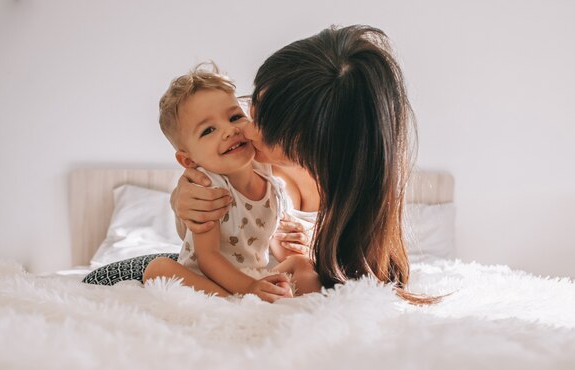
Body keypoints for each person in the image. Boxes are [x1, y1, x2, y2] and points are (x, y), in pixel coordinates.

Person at [170, 25, 436, 304]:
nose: (246, 131)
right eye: (253, 107)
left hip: (266, 281)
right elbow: (207, 241)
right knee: (135, 270)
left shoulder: (361, 207)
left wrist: (313, 253)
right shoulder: (247, 161)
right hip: (223, 276)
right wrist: (182, 203)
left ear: (317, 144)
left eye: (267, 125)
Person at [142, 64, 318, 302]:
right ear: (188, 159)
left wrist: (286, 253)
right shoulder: (209, 188)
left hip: (253, 275)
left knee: (301, 262)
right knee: (158, 268)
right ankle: (232, 302)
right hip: (209, 278)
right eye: (209, 130)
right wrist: (249, 288)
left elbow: (267, 236)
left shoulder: (268, 173)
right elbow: (208, 257)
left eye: (235, 117)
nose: (229, 130)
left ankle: (310, 308)